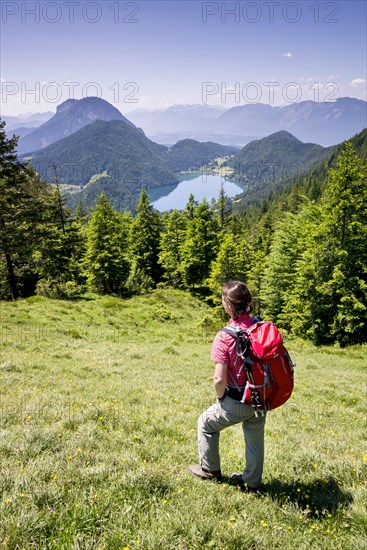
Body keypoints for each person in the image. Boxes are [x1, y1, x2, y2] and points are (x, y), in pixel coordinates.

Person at [189, 280, 266, 492]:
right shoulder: (259, 326)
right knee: (255, 440)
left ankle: (210, 470)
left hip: (237, 399)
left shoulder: (225, 336)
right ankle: (252, 483)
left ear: (229, 305)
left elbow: (219, 379)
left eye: (224, 300)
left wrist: (221, 398)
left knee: (205, 423)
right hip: (261, 397)